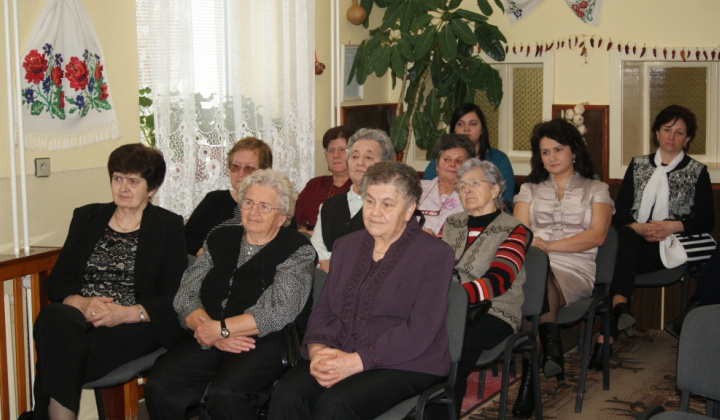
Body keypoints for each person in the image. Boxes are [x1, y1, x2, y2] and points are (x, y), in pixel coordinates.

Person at [268, 161, 456, 420]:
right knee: (288, 392)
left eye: (387, 204)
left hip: (407, 361)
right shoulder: (346, 246)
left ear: (409, 209)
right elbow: (323, 310)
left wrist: (356, 362)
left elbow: (420, 330)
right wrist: (318, 353)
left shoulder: (435, 254)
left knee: (337, 404)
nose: (375, 212)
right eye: (370, 201)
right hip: (341, 349)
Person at [28, 144, 186, 420]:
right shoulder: (87, 217)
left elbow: (173, 295)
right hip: (79, 319)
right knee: (55, 317)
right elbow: (58, 282)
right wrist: (81, 302)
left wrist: (124, 313)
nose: (123, 187)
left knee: (58, 355)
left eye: (133, 181)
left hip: (134, 323)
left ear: (151, 188)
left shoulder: (168, 226)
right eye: (117, 178)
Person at [145, 169, 317, 419]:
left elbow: (280, 310)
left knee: (226, 394)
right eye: (248, 202)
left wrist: (223, 329)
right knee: (160, 385)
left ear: (282, 217)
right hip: (206, 331)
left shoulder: (298, 249)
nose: (254, 211)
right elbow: (186, 293)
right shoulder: (219, 237)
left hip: (263, 340)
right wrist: (210, 331)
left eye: (265, 206)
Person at [512, 119, 613, 418]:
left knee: (536, 280)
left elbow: (598, 235)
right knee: (537, 276)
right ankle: (550, 344)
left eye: (558, 149)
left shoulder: (597, 188)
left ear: (573, 151)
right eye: (545, 152)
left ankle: (530, 382)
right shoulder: (529, 188)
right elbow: (519, 235)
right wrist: (539, 250)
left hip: (576, 269)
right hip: (536, 268)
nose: (552, 157)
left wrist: (549, 246)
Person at [603, 105, 714, 353]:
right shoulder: (639, 164)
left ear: (688, 139)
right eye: (667, 130)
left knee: (616, 263)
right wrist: (639, 228)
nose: (671, 137)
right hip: (633, 240)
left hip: (668, 246)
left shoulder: (697, 172)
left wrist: (674, 226)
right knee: (626, 236)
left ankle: (610, 327)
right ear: (656, 133)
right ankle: (618, 311)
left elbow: (707, 221)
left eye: (679, 132)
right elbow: (619, 212)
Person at [438, 159, 530, 419]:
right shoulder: (452, 223)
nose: (466, 189)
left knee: (450, 348)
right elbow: (432, 265)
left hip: (495, 312)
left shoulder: (515, 229)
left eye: (474, 183)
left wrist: (452, 298)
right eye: (462, 185)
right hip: (450, 307)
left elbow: (498, 280)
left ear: (495, 189)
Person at [310, 128, 395, 272]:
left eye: (368, 157)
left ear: (385, 165)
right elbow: (317, 246)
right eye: (354, 157)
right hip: (329, 283)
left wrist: (338, 263)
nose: (360, 163)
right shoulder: (328, 206)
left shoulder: (392, 208)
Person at [184, 137, 272, 256]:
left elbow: (289, 246)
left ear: (265, 171)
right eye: (235, 166)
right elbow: (186, 237)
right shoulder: (214, 200)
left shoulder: (277, 206)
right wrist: (201, 251)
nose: (240, 174)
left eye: (249, 168)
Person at [423, 103, 515, 209]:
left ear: (482, 129)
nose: (466, 129)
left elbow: (506, 204)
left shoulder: (499, 160)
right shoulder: (441, 159)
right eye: (460, 124)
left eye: (473, 124)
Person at [295, 126, 355, 233]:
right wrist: (302, 230)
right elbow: (295, 219)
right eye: (331, 150)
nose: (335, 155)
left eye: (342, 150)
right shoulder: (314, 184)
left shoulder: (359, 188)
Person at [418, 133, 476, 235]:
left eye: (459, 161)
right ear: (437, 165)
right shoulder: (418, 188)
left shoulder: (473, 196)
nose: (452, 165)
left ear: (469, 167)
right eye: (447, 159)